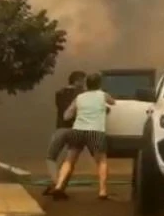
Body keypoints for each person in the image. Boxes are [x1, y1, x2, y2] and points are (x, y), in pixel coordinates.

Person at [49, 72, 115, 201]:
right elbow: (113, 103)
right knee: (101, 161)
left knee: (69, 160)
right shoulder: (103, 95)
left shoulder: (79, 97)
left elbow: (66, 115)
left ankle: (59, 186)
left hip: (78, 130)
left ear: (87, 84)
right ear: (99, 84)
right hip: (95, 131)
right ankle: (102, 191)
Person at [42, 70, 86, 195]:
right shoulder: (84, 95)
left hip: (61, 128)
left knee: (51, 157)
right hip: (78, 130)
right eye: (83, 80)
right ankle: (60, 187)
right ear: (77, 81)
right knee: (69, 162)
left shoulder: (59, 93)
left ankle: (56, 184)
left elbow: (62, 109)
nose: (84, 83)